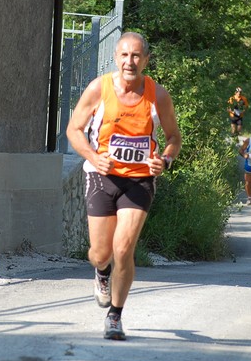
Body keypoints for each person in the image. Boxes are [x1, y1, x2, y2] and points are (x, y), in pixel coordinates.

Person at [66, 32, 182, 341]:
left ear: (145, 60)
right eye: (124, 55)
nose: (130, 61)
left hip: (140, 180)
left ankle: (115, 316)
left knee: (124, 248)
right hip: (101, 176)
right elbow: (73, 129)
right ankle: (101, 273)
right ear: (116, 58)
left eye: (136, 56)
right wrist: (93, 156)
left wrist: (165, 161)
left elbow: (173, 137)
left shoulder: (158, 95)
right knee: (100, 252)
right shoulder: (98, 89)